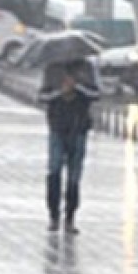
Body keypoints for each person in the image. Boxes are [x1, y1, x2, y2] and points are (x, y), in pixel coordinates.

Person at [41, 60, 98, 234]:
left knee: (74, 176)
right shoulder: (52, 68)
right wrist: (60, 91)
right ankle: (54, 216)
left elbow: (96, 94)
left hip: (78, 129)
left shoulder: (86, 67)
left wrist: (77, 87)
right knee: (54, 170)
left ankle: (70, 218)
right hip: (58, 128)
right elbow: (42, 96)